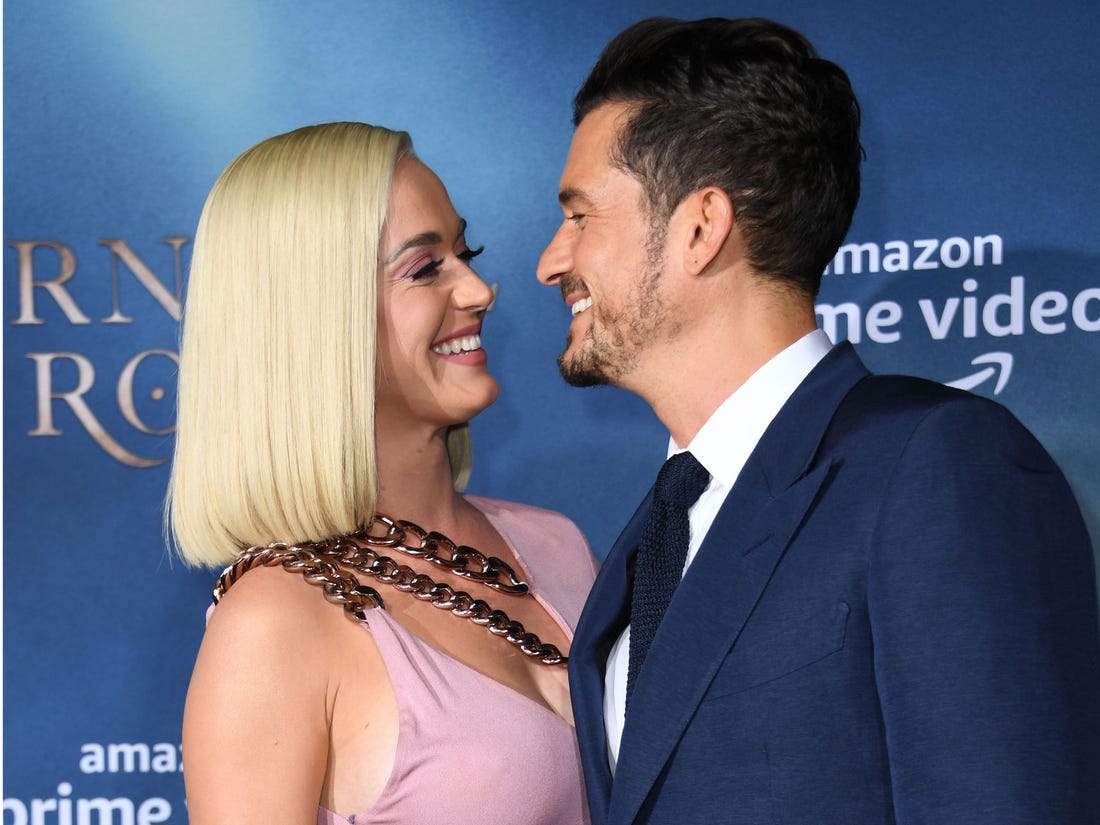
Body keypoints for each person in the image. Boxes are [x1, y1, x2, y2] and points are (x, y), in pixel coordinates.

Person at [536, 17, 1100, 825]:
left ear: (701, 227)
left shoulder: (938, 467)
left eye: (581, 216)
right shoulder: (657, 533)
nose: (551, 261)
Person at [170, 122, 596, 825]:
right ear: (315, 317)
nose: (478, 290)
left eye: (466, 253)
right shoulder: (273, 624)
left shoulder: (558, 544)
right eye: (426, 269)